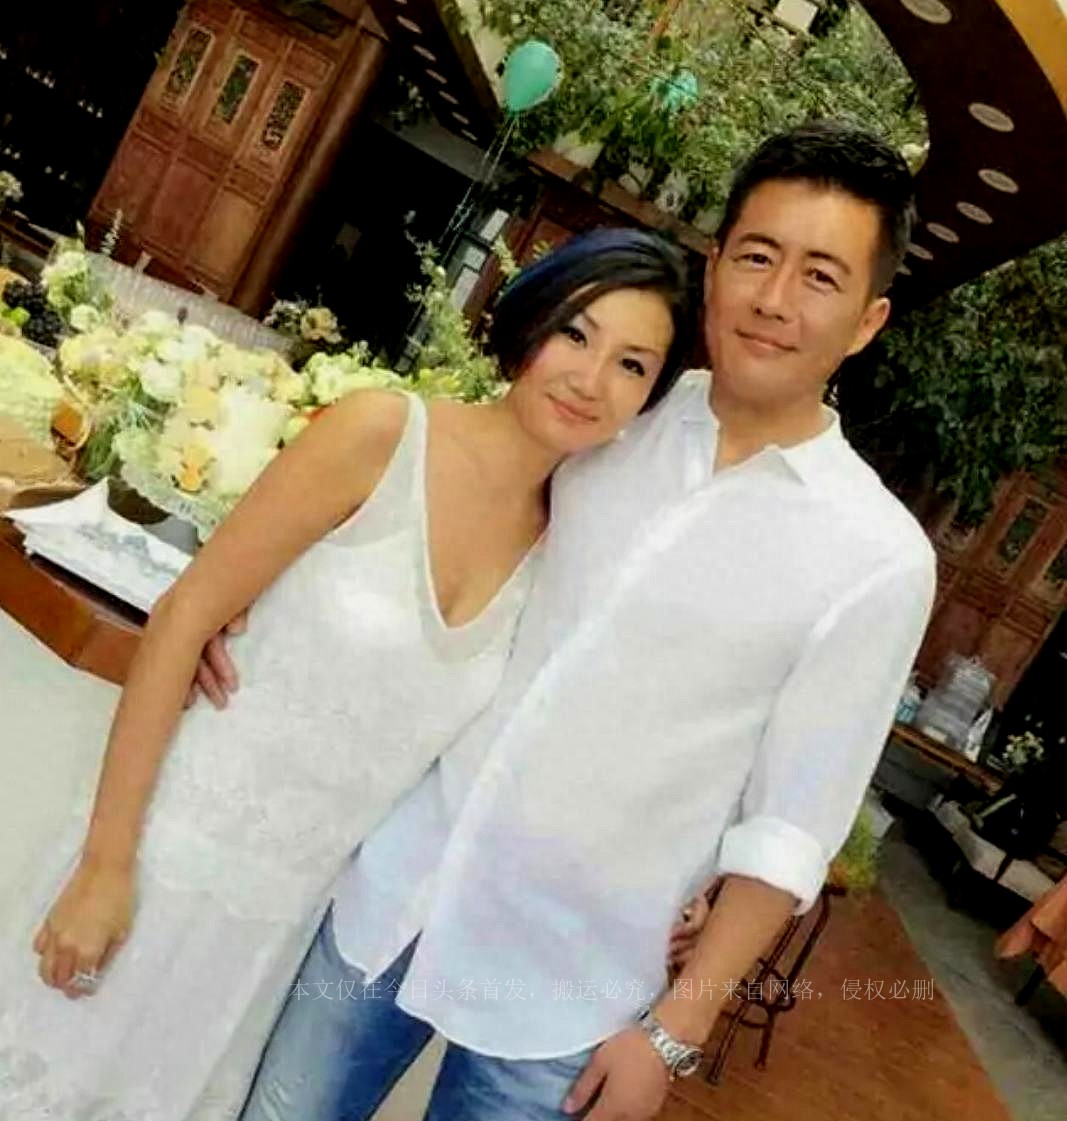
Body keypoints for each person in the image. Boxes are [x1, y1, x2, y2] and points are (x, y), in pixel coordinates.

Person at [205, 122, 937, 1121]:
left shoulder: (875, 556)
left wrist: (674, 1028)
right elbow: (450, 515)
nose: (773, 299)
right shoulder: (614, 407)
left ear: (866, 320)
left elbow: (789, 827)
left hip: (575, 991)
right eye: (757, 256)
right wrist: (266, 600)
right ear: (713, 265)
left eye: (819, 276)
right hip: (400, 888)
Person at [0, 229, 698, 1120]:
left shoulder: (565, 553)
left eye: (632, 364)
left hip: (277, 940)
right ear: (529, 323)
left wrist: (688, 874)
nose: (590, 378)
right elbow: (185, 616)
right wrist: (105, 864)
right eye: (576, 332)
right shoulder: (382, 433)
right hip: (158, 856)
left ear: (647, 399)